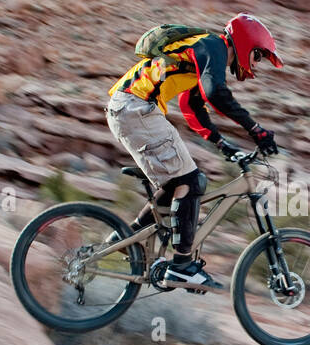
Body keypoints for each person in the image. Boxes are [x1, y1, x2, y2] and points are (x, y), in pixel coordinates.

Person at [106, 14, 282, 289]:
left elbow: (192, 106)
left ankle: (126, 237)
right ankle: (182, 265)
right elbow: (216, 93)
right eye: (257, 55)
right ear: (248, 44)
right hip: (135, 108)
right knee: (191, 181)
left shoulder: (203, 50)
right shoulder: (214, 45)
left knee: (179, 181)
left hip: (130, 108)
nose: (255, 63)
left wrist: (222, 144)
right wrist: (255, 129)